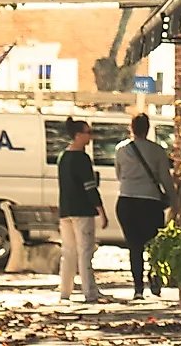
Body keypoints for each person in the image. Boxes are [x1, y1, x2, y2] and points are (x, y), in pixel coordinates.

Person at [112, 113, 174, 299]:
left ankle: (138, 287)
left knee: (134, 246)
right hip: (150, 202)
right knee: (154, 244)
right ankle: (155, 279)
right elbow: (165, 178)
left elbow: (118, 174)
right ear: (148, 128)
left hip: (127, 200)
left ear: (131, 128)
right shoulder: (157, 150)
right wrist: (174, 200)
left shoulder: (121, 149)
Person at [55, 121, 107, 303]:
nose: (90, 136)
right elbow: (90, 187)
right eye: (87, 132)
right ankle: (89, 291)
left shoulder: (63, 157)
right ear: (78, 135)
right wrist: (101, 210)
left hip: (66, 210)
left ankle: (65, 291)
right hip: (82, 210)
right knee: (85, 251)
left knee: (68, 252)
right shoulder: (82, 158)